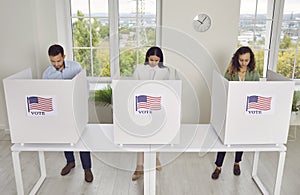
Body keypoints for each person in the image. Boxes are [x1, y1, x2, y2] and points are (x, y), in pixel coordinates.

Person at [42, 44, 94, 183]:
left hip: (76, 108)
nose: (56, 64)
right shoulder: (47, 74)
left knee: (82, 137)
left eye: (58, 60)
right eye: (53, 61)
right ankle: (70, 162)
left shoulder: (76, 67)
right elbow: (46, 94)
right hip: (60, 110)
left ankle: (87, 168)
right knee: (65, 136)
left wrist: (82, 102)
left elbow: (85, 86)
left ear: (64, 57)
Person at [211, 46, 260, 180]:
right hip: (231, 109)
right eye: (241, 60)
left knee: (241, 139)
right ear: (236, 59)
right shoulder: (230, 73)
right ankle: (218, 166)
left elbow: (257, 92)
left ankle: (237, 162)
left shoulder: (254, 74)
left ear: (250, 60)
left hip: (246, 111)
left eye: (246, 60)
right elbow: (225, 89)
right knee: (226, 139)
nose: (243, 63)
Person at [131, 46, 177, 181]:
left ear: (160, 60)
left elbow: (169, 88)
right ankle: (139, 167)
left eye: (156, 60)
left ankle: (156, 159)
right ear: (147, 58)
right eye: (151, 59)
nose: (153, 63)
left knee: (157, 135)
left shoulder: (166, 71)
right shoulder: (139, 68)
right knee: (141, 137)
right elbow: (133, 86)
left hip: (158, 106)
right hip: (142, 105)